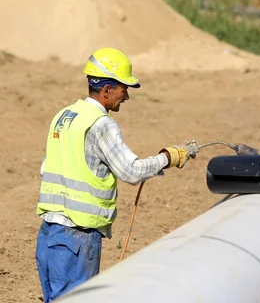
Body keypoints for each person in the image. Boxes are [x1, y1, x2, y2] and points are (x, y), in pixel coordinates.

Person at [35, 48, 197, 302]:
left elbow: (48, 167)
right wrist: (168, 158)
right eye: (124, 89)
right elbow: (130, 171)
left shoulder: (64, 116)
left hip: (48, 237)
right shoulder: (101, 124)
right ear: (107, 90)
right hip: (76, 240)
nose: (127, 96)